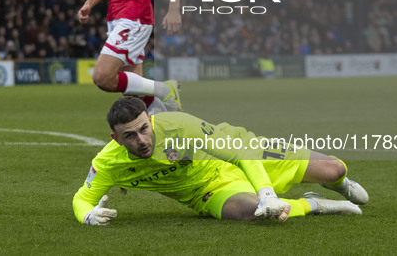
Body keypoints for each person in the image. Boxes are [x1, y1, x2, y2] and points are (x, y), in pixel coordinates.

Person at [73, 96, 369, 225]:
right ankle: (316, 204)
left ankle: (340, 184)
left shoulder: (179, 124)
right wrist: (88, 215)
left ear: (151, 120)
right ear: (116, 139)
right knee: (253, 213)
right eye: (129, 136)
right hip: (207, 190)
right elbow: (81, 199)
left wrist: (267, 193)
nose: (141, 140)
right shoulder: (109, 163)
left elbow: (241, 153)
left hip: (239, 151)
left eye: (144, 129)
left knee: (334, 168)